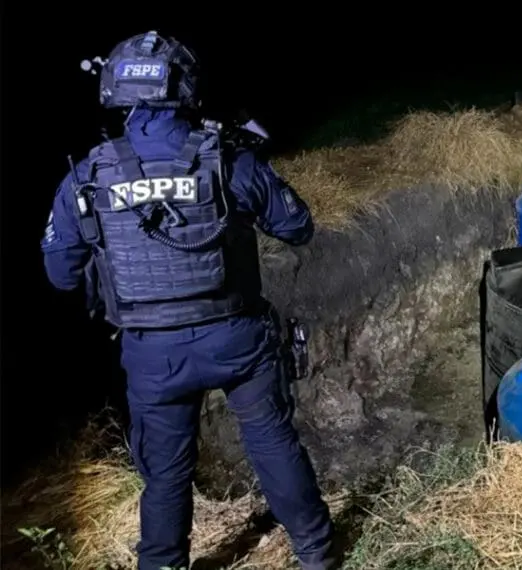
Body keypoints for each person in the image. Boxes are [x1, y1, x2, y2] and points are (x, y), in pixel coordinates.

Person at [40, 31, 338, 570]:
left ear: (116, 89)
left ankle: (162, 564)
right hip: (237, 338)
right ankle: (316, 551)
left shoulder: (87, 176)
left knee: (166, 472)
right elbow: (297, 227)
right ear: (186, 85)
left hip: (152, 354)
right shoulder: (224, 158)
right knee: (270, 439)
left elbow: (61, 274)